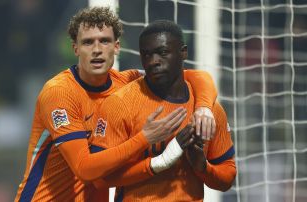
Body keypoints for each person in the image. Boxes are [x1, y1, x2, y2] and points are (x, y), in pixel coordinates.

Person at [15, 7, 218, 202]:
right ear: (75, 48)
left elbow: (194, 76)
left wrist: (204, 108)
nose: (97, 50)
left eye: (104, 41)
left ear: (117, 47)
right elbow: (84, 168)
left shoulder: (125, 83)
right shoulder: (59, 93)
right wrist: (145, 139)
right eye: (88, 42)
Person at [91, 20, 236, 201]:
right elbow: (99, 178)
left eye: (163, 53)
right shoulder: (120, 104)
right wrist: (158, 162)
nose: (153, 62)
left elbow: (227, 178)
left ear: (183, 53)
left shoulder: (208, 111)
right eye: (146, 55)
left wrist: (203, 168)